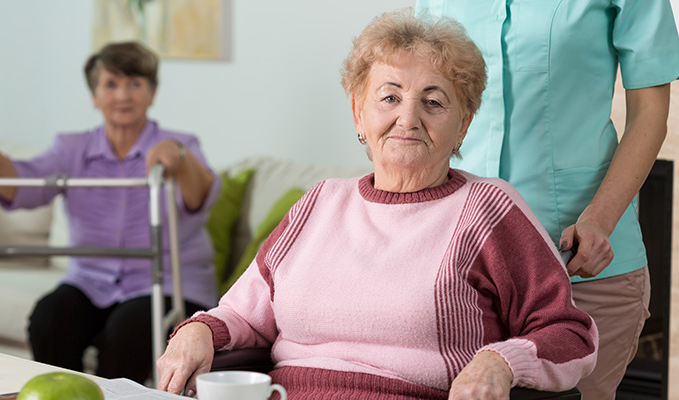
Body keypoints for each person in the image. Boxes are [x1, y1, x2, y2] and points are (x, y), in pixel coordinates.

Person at [156, 11, 597, 399]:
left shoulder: (487, 208)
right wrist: (198, 330)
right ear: (358, 113)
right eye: (389, 97)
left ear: (463, 125)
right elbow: (241, 312)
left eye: (433, 102)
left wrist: (499, 362)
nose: (408, 118)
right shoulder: (319, 202)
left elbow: (570, 333)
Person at [413, 1, 679, 397]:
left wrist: (599, 220)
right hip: (457, 269)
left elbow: (649, 110)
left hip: (582, 270)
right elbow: (418, 99)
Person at [0, 42, 221, 383]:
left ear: (152, 94)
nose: (123, 95)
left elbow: (201, 195)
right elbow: (24, 185)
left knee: (127, 331)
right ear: (95, 97)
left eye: (135, 84)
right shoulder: (71, 148)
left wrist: (177, 156)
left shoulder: (181, 143)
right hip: (90, 280)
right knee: (48, 319)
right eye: (111, 84)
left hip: (167, 281)